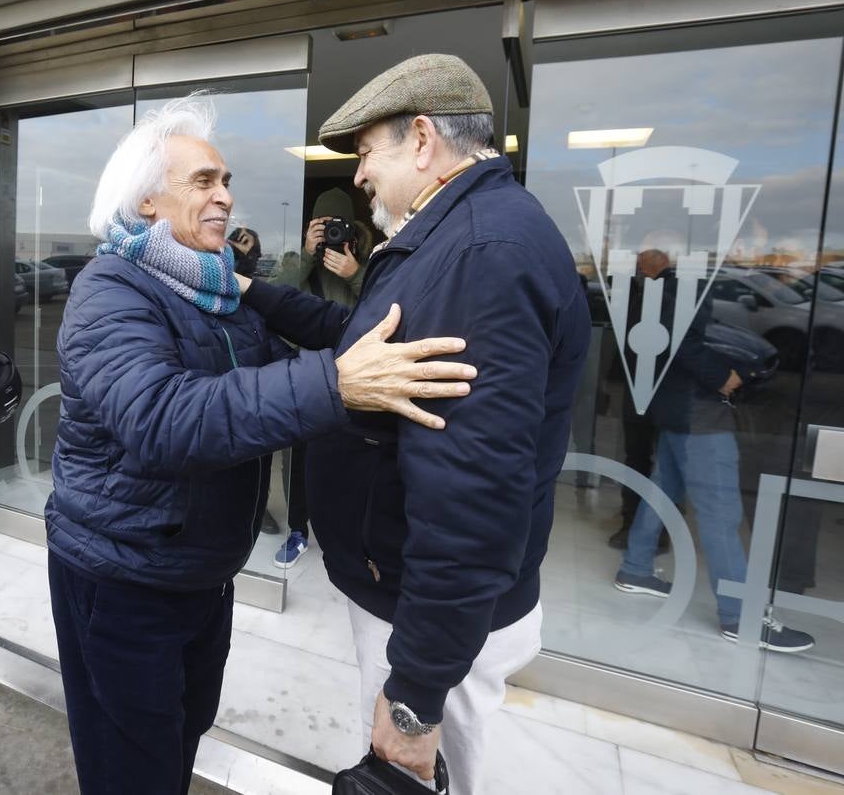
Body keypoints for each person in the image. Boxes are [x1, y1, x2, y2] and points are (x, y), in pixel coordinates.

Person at [46, 96, 477, 795]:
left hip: (200, 572)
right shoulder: (112, 290)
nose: (225, 197)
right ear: (146, 200)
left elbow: (306, 344)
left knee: (182, 733)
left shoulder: (214, 288)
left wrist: (329, 302)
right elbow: (161, 419)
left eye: (226, 181)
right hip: (121, 579)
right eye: (203, 182)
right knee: (131, 764)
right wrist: (335, 385)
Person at [238, 54, 591, 791]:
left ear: (422, 139)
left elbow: (472, 492)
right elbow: (358, 337)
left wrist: (414, 698)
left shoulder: (479, 256)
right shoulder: (453, 233)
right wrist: (253, 291)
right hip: (413, 595)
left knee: (416, 776)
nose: (360, 176)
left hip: (429, 619)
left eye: (367, 154)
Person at [612, 243, 815, 652]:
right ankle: (740, 616)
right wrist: (723, 376)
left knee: (663, 489)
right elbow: (682, 343)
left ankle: (636, 568)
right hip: (697, 410)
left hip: (671, 406)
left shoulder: (660, 291)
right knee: (720, 511)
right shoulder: (681, 290)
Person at [270, 188, 373, 568]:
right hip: (308, 372)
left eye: (336, 225)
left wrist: (355, 273)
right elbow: (276, 298)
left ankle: (349, 533)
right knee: (298, 459)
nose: (330, 232)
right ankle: (299, 529)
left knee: (351, 457)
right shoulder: (297, 260)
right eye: (322, 225)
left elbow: (383, 310)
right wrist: (307, 257)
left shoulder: (370, 261)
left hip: (355, 374)